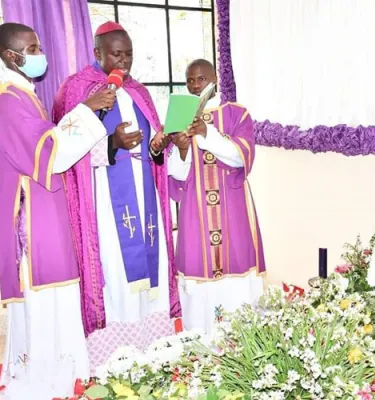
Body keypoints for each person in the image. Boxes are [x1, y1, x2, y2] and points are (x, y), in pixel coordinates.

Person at [52, 21, 180, 369]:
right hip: (105, 202)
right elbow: (65, 154)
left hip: (145, 195)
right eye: (116, 54)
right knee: (115, 269)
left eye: (129, 55)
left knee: (151, 264)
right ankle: (117, 359)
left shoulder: (139, 91)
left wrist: (158, 145)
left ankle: (155, 349)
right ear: (97, 53)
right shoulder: (78, 90)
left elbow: (156, 154)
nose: (124, 63)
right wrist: (112, 144)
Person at [0, 22, 116, 397]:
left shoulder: (22, 94)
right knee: (43, 302)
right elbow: (49, 152)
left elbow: (46, 139)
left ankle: (62, 379)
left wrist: (85, 113)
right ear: (10, 56)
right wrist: (86, 110)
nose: (39, 54)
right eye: (32, 48)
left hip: (43, 211)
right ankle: (43, 385)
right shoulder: (8, 100)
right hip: (32, 222)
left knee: (52, 301)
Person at [168, 59, 265, 333]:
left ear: (215, 79)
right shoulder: (179, 117)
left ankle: (241, 342)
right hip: (195, 211)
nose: (196, 85)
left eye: (201, 78)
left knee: (236, 276)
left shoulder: (236, 113)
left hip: (231, 208)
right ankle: (199, 346)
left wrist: (206, 133)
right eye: (190, 80)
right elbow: (176, 174)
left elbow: (241, 157)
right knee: (198, 283)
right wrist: (182, 148)